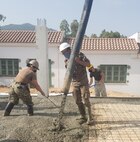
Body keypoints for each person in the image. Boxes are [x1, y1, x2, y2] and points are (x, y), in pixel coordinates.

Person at [59, 42, 93, 125]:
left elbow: (88, 64)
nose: (64, 54)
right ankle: (83, 116)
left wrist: (79, 61)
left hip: (83, 82)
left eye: (64, 52)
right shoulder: (66, 61)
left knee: (86, 100)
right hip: (75, 83)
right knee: (77, 101)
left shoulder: (80, 55)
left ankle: (90, 118)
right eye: (62, 53)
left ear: (69, 49)